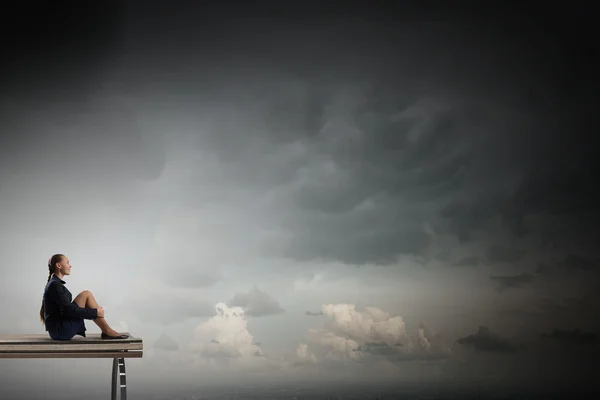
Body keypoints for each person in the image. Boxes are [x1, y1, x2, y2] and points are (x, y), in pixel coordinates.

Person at [40, 253, 129, 340]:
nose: (70, 266)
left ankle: (106, 330)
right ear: (58, 265)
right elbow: (69, 311)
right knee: (86, 294)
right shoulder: (55, 285)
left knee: (86, 294)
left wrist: (95, 312)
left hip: (58, 330)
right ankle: (107, 330)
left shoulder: (54, 283)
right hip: (60, 331)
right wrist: (95, 312)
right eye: (67, 263)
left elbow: (67, 309)